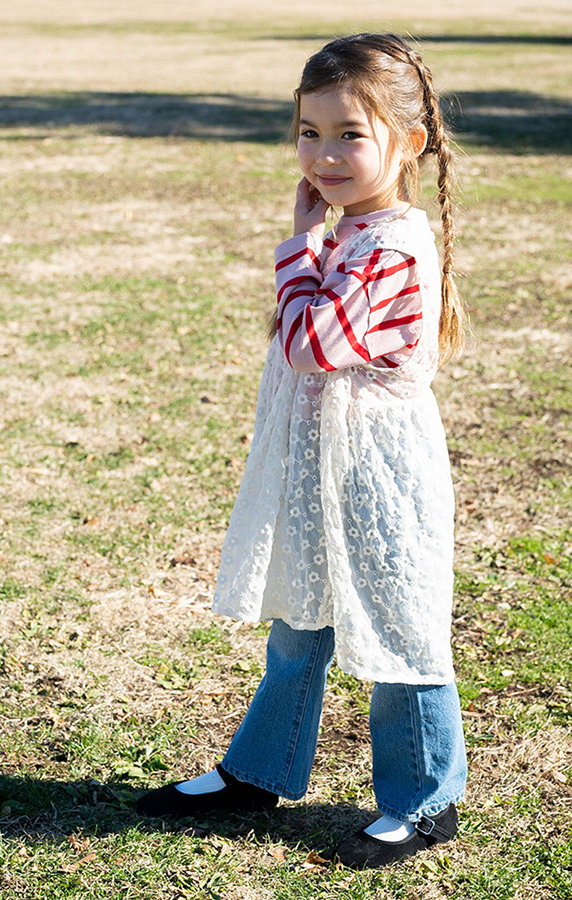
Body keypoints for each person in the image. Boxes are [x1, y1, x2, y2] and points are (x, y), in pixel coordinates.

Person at [136, 32, 468, 870]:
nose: (323, 155)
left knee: (399, 627)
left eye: (350, 134)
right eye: (309, 132)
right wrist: (314, 246)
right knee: (300, 619)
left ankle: (425, 800)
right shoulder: (351, 232)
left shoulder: (390, 245)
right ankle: (258, 771)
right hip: (321, 462)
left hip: (378, 471)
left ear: (408, 142)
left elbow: (310, 344)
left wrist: (298, 243)